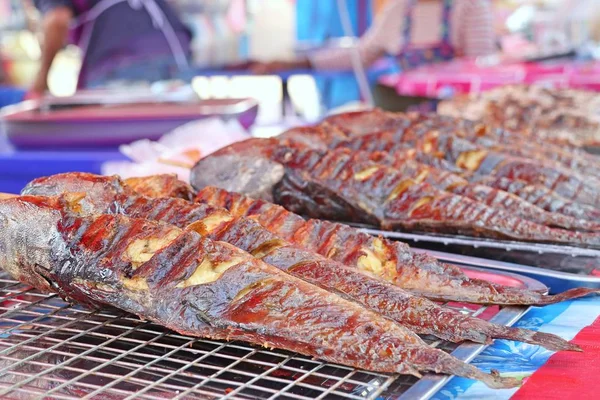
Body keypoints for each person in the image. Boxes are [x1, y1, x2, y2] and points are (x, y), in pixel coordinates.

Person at [252, 0, 497, 97]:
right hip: (404, 113)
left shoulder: (472, 7)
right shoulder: (398, 9)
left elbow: (484, 71)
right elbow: (361, 54)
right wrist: (301, 63)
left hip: (457, 114)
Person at [28, 0, 192, 97]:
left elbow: (57, 20)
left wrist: (40, 81)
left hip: (120, 61)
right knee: (175, 142)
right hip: (174, 50)